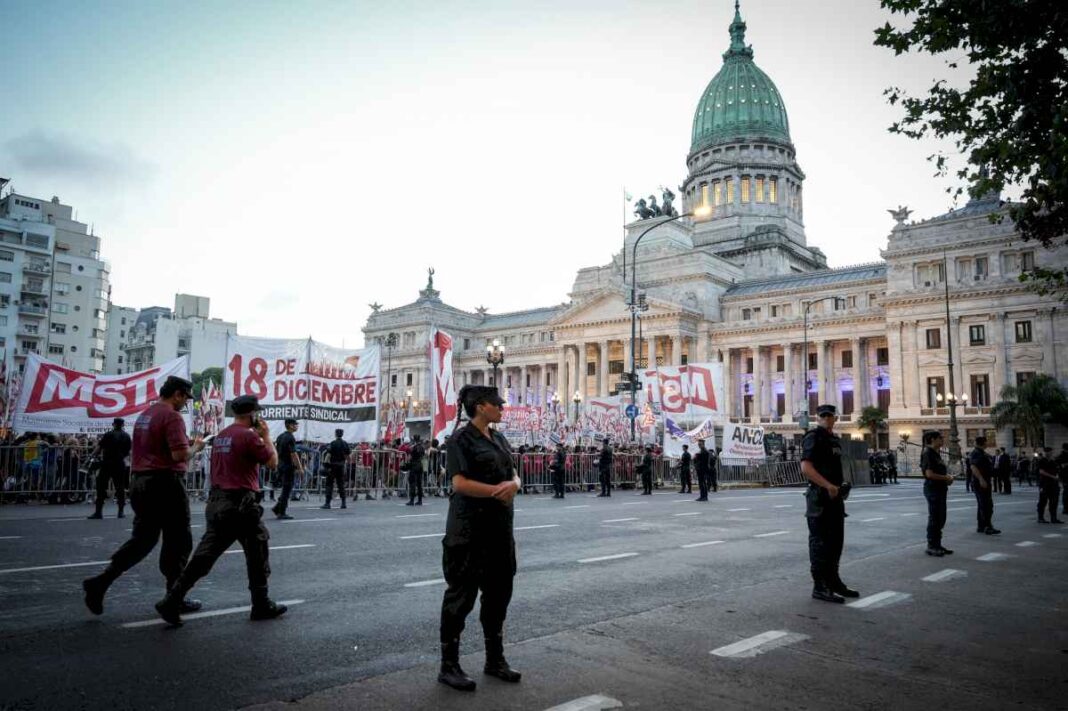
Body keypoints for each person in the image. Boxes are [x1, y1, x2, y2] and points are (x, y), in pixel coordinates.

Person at [155, 395, 288, 625]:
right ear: (252, 414)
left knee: (204, 556)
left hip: (218, 502)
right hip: (241, 504)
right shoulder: (248, 436)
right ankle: (261, 603)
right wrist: (266, 436)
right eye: (258, 413)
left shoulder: (223, 435)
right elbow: (273, 462)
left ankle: (172, 598)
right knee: (257, 550)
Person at [82, 376, 205, 616]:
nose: (184, 404)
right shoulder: (171, 416)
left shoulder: (145, 415)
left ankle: (102, 582)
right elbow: (180, 456)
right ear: (178, 394)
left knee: (142, 540)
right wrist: (196, 448)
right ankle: (174, 596)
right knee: (178, 540)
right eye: (185, 398)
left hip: (140, 481)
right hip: (165, 483)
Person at [439, 385, 521, 692]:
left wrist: (515, 483)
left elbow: (513, 472)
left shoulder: (498, 437)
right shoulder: (460, 439)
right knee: (461, 597)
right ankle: (449, 665)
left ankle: (495, 659)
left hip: (500, 530)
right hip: (469, 530)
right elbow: (459, 483)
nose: (502, 408)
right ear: (481, 406)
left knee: (499, 595)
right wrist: (496, 491)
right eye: (497, 404)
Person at [800, 404, 857, 603]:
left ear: (835, 418)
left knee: (835, 542)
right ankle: (820, 586)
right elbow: (806, 467)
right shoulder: (813, 437)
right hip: (819, 499)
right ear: (818, 418)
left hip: (835, 498)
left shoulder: (834, 440)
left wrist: (841, 487)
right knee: (820, 544)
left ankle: (833, 581)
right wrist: (827, 486)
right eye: (822, 415)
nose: (826, 418)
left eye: (829, 416)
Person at [88, 418, 132, 519]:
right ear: (123, 425)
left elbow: (99, 447)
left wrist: (91, 456)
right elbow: (128, 450)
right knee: (120, 487)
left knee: (101, 487)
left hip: (107, 463)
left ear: (113, 424)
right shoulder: (126, 436)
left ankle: (98, 512)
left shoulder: (108, 434)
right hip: (119, 463)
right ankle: (120, 512)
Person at [920, 431, 954, 557]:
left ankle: (937, 544)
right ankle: (932, 546)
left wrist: (946, 479)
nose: (942, 439)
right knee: (935, 517)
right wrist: (946, 478)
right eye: (940, 438)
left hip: (940, 489)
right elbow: (929, 474)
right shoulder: (928, 453)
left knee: (940, 517)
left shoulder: (935, 453)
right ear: (932, 439)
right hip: (933, 489)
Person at [272, 418, 303, 520]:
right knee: (287, 490)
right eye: (295, 424)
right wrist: (300, 468)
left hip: (281, 465)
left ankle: (278, 508)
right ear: (290, 425)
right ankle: (282, 512)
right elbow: (294, 454)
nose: (296, 426)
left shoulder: (280, 436)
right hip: (288, 466)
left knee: (286, 489)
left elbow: (276, 452)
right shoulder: (290, 437)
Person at [969, 436, 1000, 535]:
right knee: (986, 505)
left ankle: (981, 526)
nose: (987, 444)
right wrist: (981, 479)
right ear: (983, 443)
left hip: (985, 481)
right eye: (986, 442)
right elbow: (973, 466)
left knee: (983, 505)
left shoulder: (981, 453)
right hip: (981, 482)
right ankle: (987, 526)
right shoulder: (976, 453)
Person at [321, 429, 351, 509]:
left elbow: (328, 455)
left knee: (329, 484)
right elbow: (347, 456)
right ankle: (343, 503)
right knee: (341, 484)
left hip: (332, 466)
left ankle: (327, 503)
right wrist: (347, 463)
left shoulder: (333, 443)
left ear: (335, 434)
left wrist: (325, 464)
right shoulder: (345, 444)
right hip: (341, 466)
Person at [1036, 447, 1063, 523]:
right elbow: (1041, 472)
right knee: (1043, 501)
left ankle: (1053, 518)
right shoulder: (1042, 461)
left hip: (1054, 484)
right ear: (1045, 453)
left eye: (1050, 452)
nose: (1049, 453)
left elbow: (1057, 470)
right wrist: (1053, 476)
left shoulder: (1053, 461)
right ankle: (1040, 518)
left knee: (1054, 501)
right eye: (1047, 452)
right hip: (1044, 484)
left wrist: (1057, 476)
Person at [407, 435, 426, 506]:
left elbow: (410, 456)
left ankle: (412, 500)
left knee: (412, 483)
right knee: (419, 483)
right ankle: (420, 500)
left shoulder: (414, 447)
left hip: (414, 465)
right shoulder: (422, 447)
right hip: (420, 465)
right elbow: (423, 455)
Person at [1056, 443, 1068, 516]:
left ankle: (1066, 508)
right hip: (1065, 476)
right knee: (1066, 492)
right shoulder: (1062, 456)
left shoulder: (1061, 456)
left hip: (1065, 476)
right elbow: (1061, 466)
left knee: (1066, 492)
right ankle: (1065, 508)